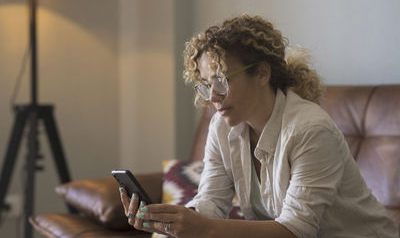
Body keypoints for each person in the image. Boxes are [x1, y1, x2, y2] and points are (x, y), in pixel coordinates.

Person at [120, 14, 398, 238]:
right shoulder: (222, 126)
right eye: (206, 86)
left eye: (220, 81)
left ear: (262, 73)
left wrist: (202, 229)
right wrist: (172, 223)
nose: (213, 97)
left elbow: (295, 229)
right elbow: (212, 202)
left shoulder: (311, 130)